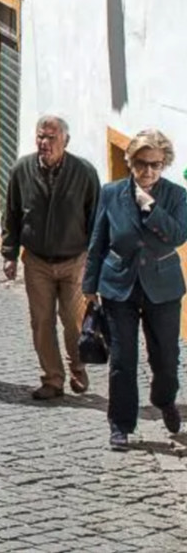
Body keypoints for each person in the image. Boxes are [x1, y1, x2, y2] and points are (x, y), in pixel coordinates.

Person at [82, 130, 187, 451]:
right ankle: (120, 424)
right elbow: (98, 239)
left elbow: (178, 235)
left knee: (167, 359)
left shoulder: (176, 195)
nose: (148, 171)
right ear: (130, 162)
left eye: (155, 164)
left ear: (164, 163)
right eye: (141, 164)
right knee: (123, 360)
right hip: (119, 285)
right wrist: (90, 286)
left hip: (163, 286)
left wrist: (150, 206)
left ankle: (165, 399)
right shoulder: (111, 193)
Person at [1, 115, 100, 400]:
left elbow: (95, 218)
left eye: (51, 138)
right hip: (37, 261)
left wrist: (95, 260)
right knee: (41, 321)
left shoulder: (84, 172)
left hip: (74, 260)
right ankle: (52, 379)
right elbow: (12, 214)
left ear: (65, 141)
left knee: (73, 320)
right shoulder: (22, 169)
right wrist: (9, 253)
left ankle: (77, 366)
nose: (44, 143)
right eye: (40, 137)